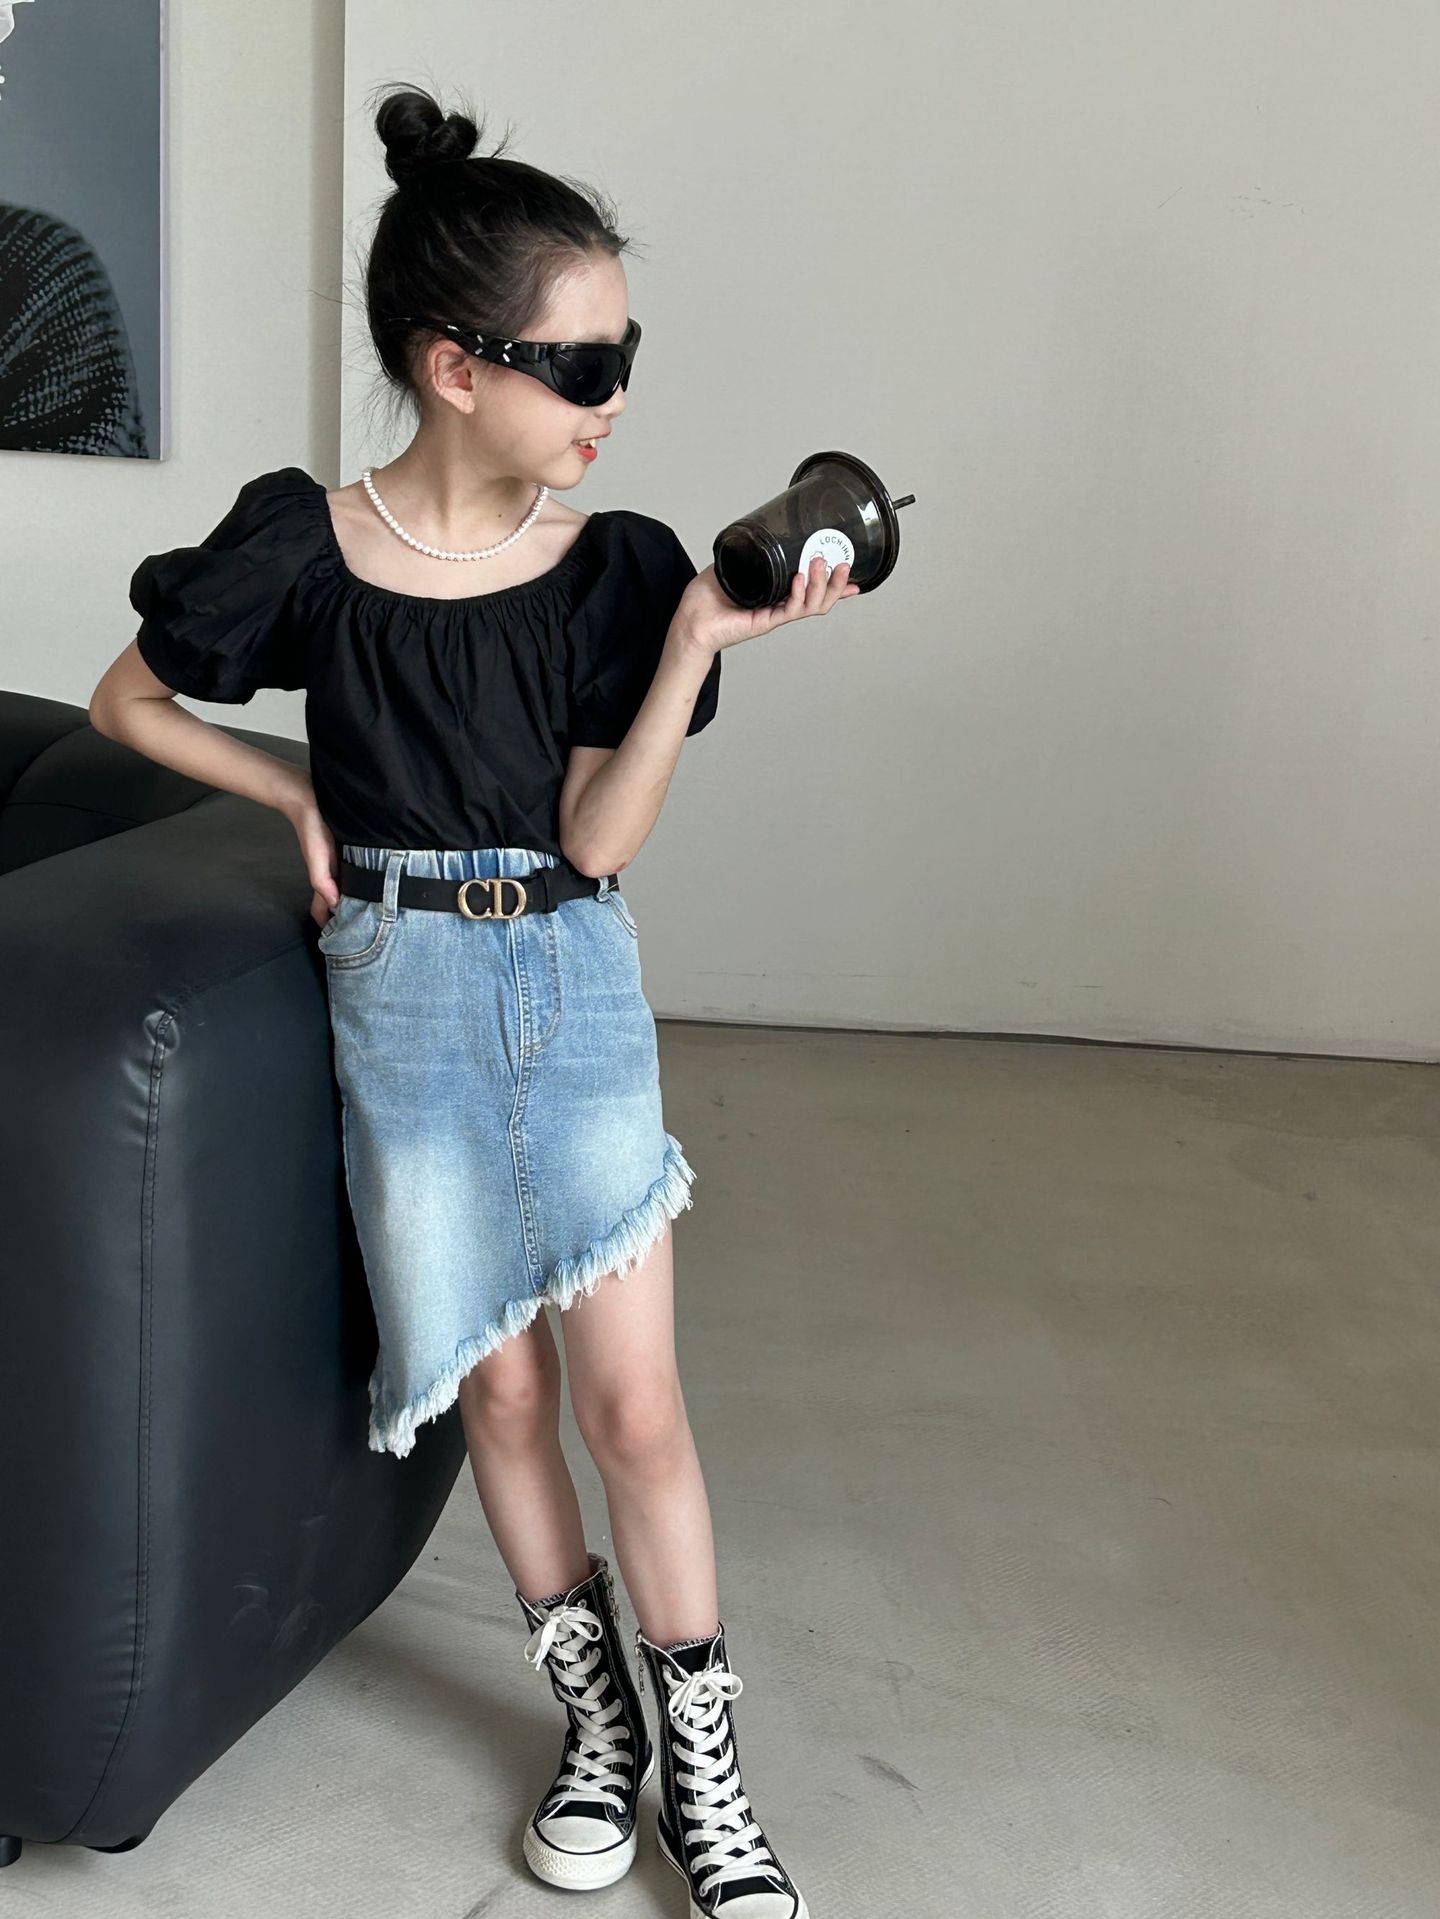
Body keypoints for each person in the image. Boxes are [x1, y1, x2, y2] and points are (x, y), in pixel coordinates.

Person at [90, 83, 856, 1919]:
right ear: (453, 367)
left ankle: (707, 1780)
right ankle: (597, 1731)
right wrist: (293, 796)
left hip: (569, 980)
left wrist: (691, 647)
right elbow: (129, 702)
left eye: (626, 360)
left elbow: (596, 840)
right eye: (581, 367)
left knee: (633, 1409)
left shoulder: (620, 570)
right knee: (498, 1402)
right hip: (402, 993)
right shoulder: (301, 543)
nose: (614, 401)